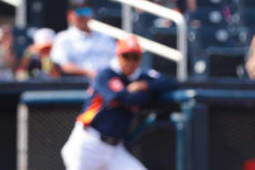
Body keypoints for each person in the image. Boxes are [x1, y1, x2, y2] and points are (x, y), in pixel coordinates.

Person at [61, 34, 177, 170]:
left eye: (135, 57)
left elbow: (171, 83)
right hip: (88, 144)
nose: (130, 61)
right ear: (117, 55)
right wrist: (150, 95)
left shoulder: (141, 77)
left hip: (115, 150)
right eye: (126, 56)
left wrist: (145, 85)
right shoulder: (106, 74)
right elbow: (122, 98)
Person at [51, 2, 117, 78]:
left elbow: (117, 61)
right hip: (76, 84)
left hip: (107, 82)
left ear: (92, 14)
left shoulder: (105, 37)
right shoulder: (63, 38)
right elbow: (62, 65)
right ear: (69, 15)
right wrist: (90, 73)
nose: (82, 15)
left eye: (86, 11)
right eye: (78, 11)